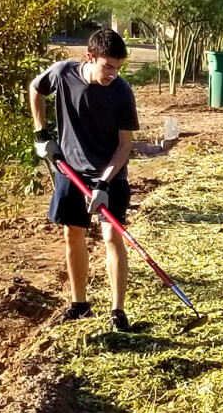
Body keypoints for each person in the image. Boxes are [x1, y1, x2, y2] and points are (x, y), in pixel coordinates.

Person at [28, 28, 140, 331]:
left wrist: (103, 184)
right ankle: (79, 304)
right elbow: (35, 88)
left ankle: (118, 311)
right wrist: (41, 133)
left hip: (109, 174)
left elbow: (125, 145)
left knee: (111, 236)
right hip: (70, 171)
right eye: (107, 66)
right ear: (89, 57)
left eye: (118, 68)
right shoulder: (63, 73)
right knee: (72, 234)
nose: (113, 74)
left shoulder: (121, 92)